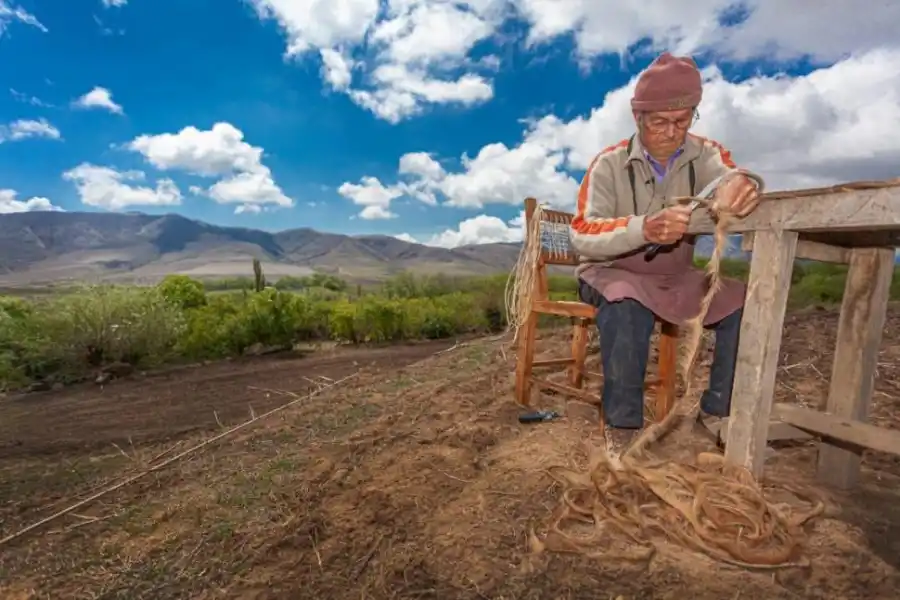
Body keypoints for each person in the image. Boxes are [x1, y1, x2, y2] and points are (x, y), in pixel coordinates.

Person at [568, 52, 765, 458]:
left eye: (682, 120)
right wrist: (645, 227)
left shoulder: (706, 153)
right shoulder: (607, 165)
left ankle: (717, 411)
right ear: (638, 118)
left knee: (745, 301)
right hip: (611, 270)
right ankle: (623, 428)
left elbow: (733, 176)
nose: (671, 132)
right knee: (625, 303)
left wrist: (741, 186)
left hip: (675, 275)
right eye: (658, 121)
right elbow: (583, 234)